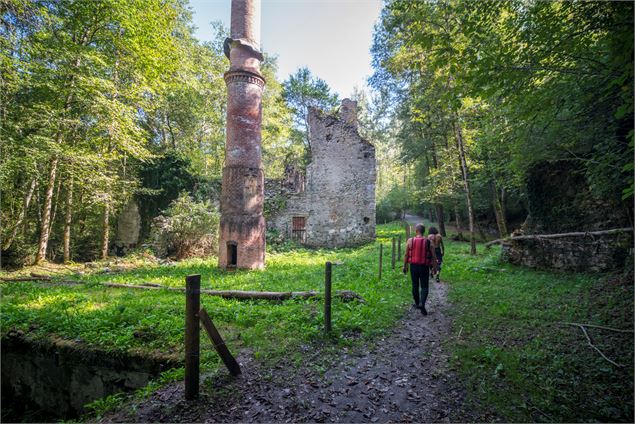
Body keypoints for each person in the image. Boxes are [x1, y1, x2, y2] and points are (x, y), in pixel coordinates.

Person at [402, 224, 437, 315]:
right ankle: (422, 303)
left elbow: (406, 255)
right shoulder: (429, 242)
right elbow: (433, 257)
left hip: (413, 266)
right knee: (424, 286)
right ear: (423, 231)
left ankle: (417, 303)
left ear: (416, 231)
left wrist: (404, 266)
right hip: (424, 267)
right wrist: (434, 268)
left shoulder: (410, 240)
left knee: (415, 285)